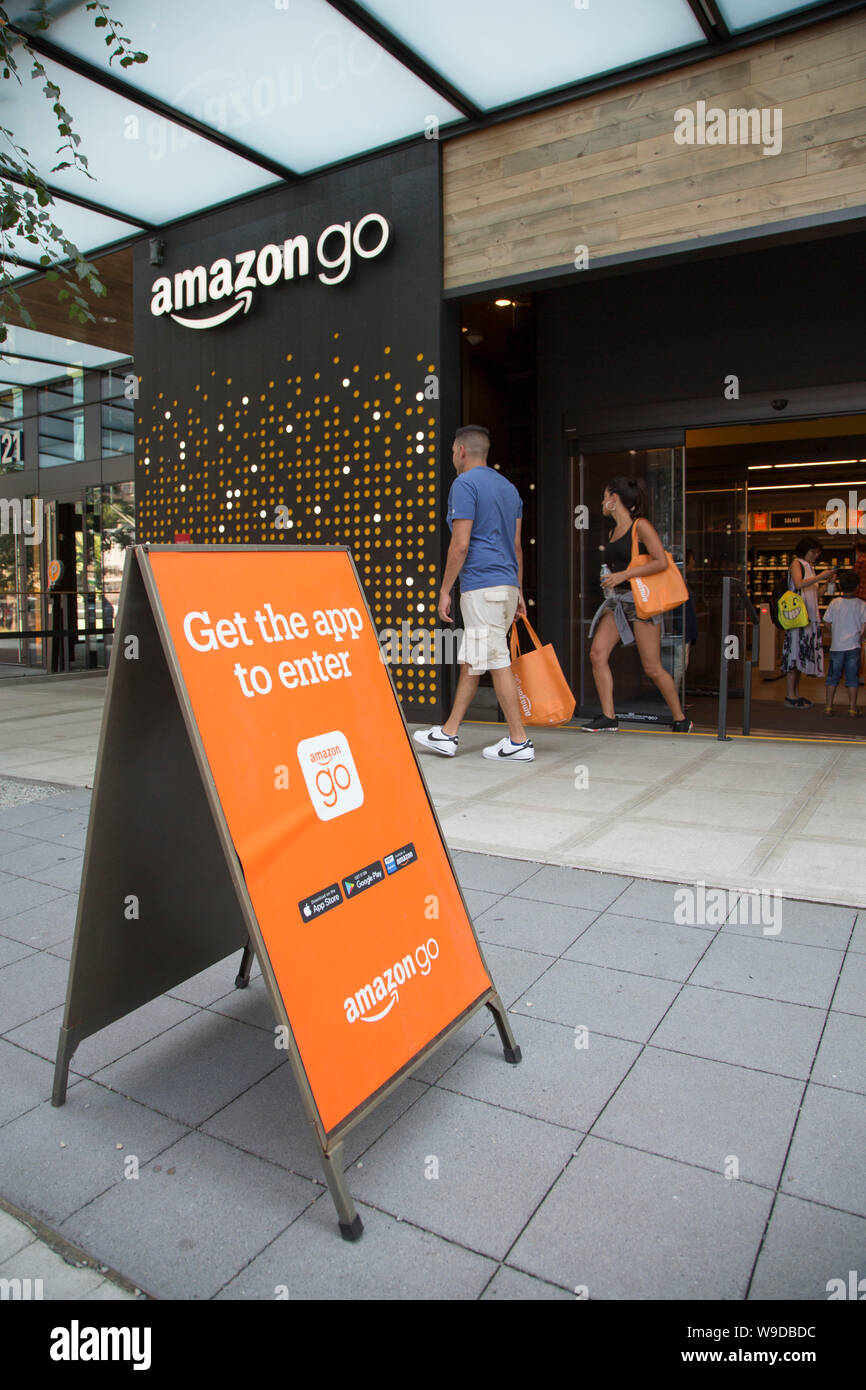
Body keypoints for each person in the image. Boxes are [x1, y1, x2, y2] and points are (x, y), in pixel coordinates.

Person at [413, 425, 534, 761]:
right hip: (506, 587)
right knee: (473, 660)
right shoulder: (509, 489)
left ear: (461, 450)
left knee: (495, 660)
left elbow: (461, 544)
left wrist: (444, 590)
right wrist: (519, 590)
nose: (453, 456)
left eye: (453, 451)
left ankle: (519, 741)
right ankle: (448, 734)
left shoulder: (464, 484)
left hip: (482, 587)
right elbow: (517, 547)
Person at [582, 477, 692, 733]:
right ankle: (608, 716)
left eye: (604, 496)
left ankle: (680, 718)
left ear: (614, 499)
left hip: (641, 602)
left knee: (652, 667)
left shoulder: (640, 526)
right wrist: (611, 578)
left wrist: (624, 576)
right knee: (597, 654)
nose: (602, 502)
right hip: (618, 601)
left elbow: (662, 562)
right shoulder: (612, 532)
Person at [782, 537, 836, 708]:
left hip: (808, 618)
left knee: (799, 656)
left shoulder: (809, 568)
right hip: (798, 619)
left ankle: (795, 694)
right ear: (805, 550)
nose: (816, 555)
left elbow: (814, 595)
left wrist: (826, 584)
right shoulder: (797, 563)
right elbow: (798, 583)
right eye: (813, 552)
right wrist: (821, 576)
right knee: (794, 655)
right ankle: (790, 695)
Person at [823, 569, 866, 717]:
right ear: (857, 587)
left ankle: (828, 707)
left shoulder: (835, 603)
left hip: (836, 647)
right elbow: (863, 627)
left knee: (832, 677)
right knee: (852, 678)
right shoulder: (862, 604)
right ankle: (852, 708)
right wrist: (860, 636)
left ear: (840, 586)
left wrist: (834, 631)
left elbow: (827, 621)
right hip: (854, 646)